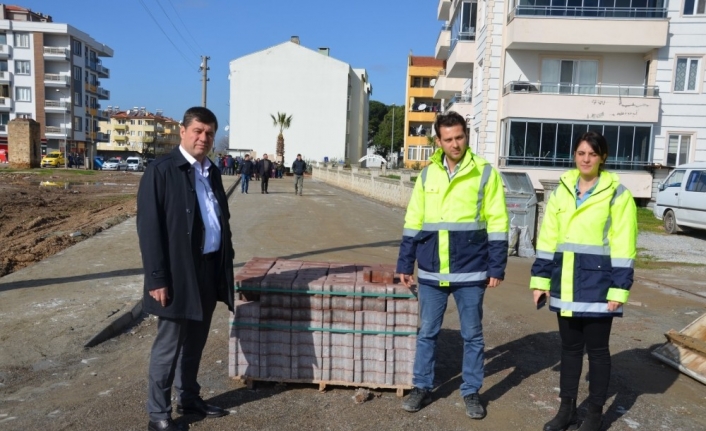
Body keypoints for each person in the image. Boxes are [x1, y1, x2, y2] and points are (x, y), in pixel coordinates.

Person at [396, 111, 509, 420]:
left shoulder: (485, 172)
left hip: (471, 270)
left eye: (459, 137)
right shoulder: (427, 174)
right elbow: (413, 221)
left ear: (466, 136)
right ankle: (422, 386)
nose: (455, 143)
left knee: (472, 335)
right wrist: (405, 263)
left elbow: (498, 221)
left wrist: (496, 266)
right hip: (432, 270)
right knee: (428, 332)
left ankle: (471, 391)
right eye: (449, 139)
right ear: (439, 141)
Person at [531, 131, 637, 431]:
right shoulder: (563, 190)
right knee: (569, 350)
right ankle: (566, 411)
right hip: (565, 282)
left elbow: (623, 245)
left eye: (592, 153)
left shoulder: (618, 194)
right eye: (581, 153)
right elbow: (548, 238)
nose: (586, 159)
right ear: (574, 156)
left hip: (600, 285)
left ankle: (593, 415)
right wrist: (540, 279)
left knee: (599, 351)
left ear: (603, 157)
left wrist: (619, 288)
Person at [136, 106, 235, 431]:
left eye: (209, 133)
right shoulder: (162, 170)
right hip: (178, 276)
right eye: (197, 131)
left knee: (196, 342)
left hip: (208, 271)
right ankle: (159, 415)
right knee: (169, 346)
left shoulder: (213, 172)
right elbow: (149, 229)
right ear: (183, 131)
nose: (203, 138)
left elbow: (220, 221)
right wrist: (157, 278)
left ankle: (189, 397)